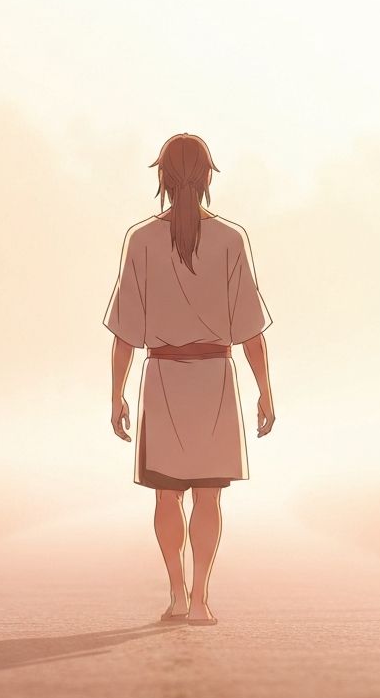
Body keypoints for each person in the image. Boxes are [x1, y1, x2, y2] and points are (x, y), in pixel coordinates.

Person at [103, 132, 275, 626]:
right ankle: (200, 598)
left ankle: (177, 594)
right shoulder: (230, 239)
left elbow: (125, 335)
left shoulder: (140, 239)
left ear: (161, 178)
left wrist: (116, 395)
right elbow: (249, 330)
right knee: (207, 494)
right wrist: (265, 389)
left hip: (162, 378)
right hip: (216, 379)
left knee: (167, 494)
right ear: (206, 178)